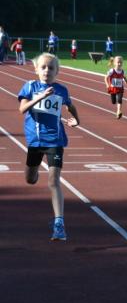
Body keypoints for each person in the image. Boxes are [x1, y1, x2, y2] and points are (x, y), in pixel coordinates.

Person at [17, 53, 81, 241]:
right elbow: (22, 109)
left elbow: (70, 106)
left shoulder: (61, 90)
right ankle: (34, 172)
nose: (47, 71)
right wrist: (40, 97)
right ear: (36, 69)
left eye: (51, 68)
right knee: (30, 179)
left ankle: (59, 223)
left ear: (57, 72)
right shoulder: (30, 86)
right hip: (35, 142)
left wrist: (76, 120)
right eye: (43, 67)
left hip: (55, 140)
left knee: (54, 181)